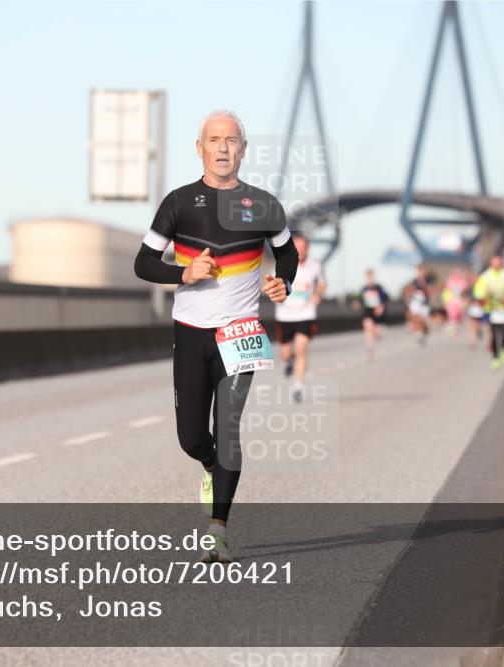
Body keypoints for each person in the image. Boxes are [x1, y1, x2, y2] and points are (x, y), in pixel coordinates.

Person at [134, 110, 298, 563]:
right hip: (190, 331)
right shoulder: (179, 203)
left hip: (241, 330)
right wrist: (183, 272)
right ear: (200, 148)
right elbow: (143, 263)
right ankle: (208, 465)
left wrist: (283, 282)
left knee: (227, 429)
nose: (223, 147)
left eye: (232, 139)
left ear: (244, 149)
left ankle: (217, 530)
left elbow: (286, 254)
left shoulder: (264, 205)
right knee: (192, 437)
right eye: (214, 139)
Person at [275, 234, 326, 403]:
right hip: (285, 314)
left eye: (303, 247)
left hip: (306, 313)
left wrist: (318, 294)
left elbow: (322, 283)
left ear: (308, 248)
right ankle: (289, 362)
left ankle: (298, 386)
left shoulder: (315, 266)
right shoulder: (282, 263)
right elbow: (269, 281)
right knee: (286, 353)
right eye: (297, 247)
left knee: (302, 348)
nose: (300, 251)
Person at [473, 255, 504, 370]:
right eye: (494, 263)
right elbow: (478, 291)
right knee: (493, 334)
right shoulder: (485, 276)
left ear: (501, 263)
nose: (496, 265)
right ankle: (495, 357)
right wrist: (484, 294)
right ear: (491, 264)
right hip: (491, 308)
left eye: (498, 263)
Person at [358, 269, 388, 360]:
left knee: (376, 332)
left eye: (371, 277)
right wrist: (356, 302)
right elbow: (359, 298)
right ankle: (370, 349)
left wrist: (381, 307)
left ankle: (379, 333)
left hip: (377, 312)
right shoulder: (364, 289)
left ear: (373, 277)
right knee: (367, 327)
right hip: (368, 311)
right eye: (368, 277)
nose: (369, 279)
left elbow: (385, 298)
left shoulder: (379, 288)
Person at [402, 265, 431, 346]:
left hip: (424, 304)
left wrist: (425, 286)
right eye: (419, 271)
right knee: (416, 317)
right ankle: (418, 333)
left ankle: (423, 331)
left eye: (422, 271)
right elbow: (409, 290)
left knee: (423, 321)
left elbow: (430, 291)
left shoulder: (428, 281)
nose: (421, 273)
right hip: (416, 302)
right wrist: (408, 296)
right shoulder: (414, 282)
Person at [442, 267, 469, 337]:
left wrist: (464, 300)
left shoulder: (463, 281)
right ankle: (452, 329)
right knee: (452, 316)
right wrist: (446, 301)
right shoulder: (450, 281)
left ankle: (455, 329)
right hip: (451, 301)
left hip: (459, 300)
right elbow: (447, 292)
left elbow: (465, 291)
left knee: (458, 317)